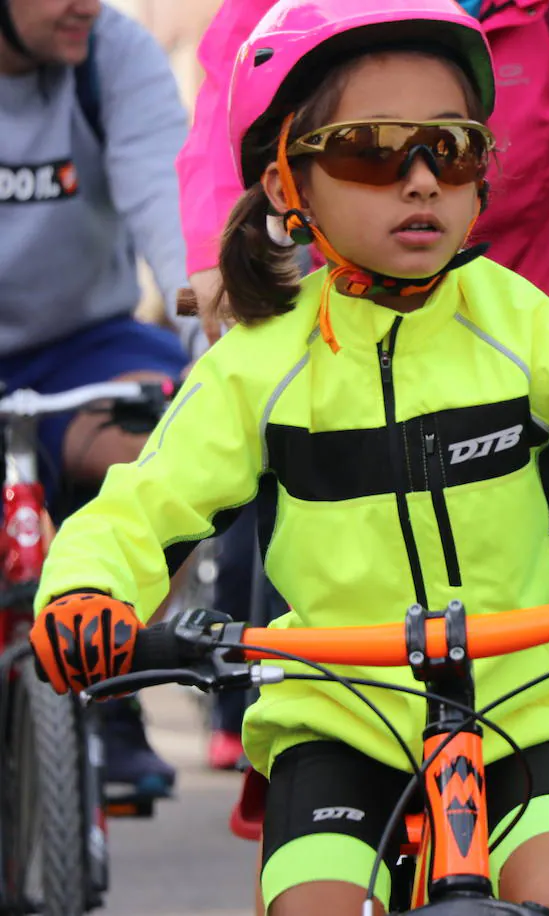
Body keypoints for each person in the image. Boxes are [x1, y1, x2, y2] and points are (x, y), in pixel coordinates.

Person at [26, 3, 549, 914]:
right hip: (337, 716)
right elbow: (143, 505)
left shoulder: (526, 322)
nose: (420, 182)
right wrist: (86, 593)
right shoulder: (256, 362)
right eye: (372, 150)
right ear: (287, 185)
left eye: (451, 150)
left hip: (520, 706)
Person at [177, 0, 549, 790]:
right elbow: (239, 87)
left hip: (532, 367)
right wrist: (228, 250)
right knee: (314, 691)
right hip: (333, 363)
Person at [0, 0, 196, 798]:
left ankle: (111, 682)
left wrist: (221, 348)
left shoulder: (113, 55)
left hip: (85, 343)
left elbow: (173, 216)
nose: (87, 2)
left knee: (169, 449)